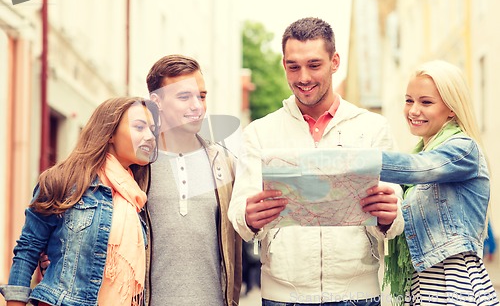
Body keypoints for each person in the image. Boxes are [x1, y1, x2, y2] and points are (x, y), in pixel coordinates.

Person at [227, 17, 404, 306]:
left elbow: (396, 213)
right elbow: (239, 211)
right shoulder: (259, 133)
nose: (303, 77)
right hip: (282, 296)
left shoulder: (374, 127)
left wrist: (389, 215)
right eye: (294, 66)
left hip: (357, 295)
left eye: (314, 65)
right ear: (284, 64)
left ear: (335, 62)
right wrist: (248, 217)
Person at [0, 97, 159, 306]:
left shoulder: (138, 196)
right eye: (139, 127)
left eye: (152, 130)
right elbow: (27, 250)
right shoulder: (63, 182)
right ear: (109, 133)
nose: (150, 137)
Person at [380, 60, 499, 305]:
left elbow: (417, 168)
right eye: (409, 100)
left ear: (451, 108)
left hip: (456, 287)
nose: (413, 110)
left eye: (426, 102)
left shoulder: (463, 149)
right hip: (422, 287)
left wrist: (357, 161)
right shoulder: (421, 153)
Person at [144, 54, 242, 306]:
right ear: (157, 102)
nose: (197, 106)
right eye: (184, 97)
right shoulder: (136, 164)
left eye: (202, 96)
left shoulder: (224, 162)